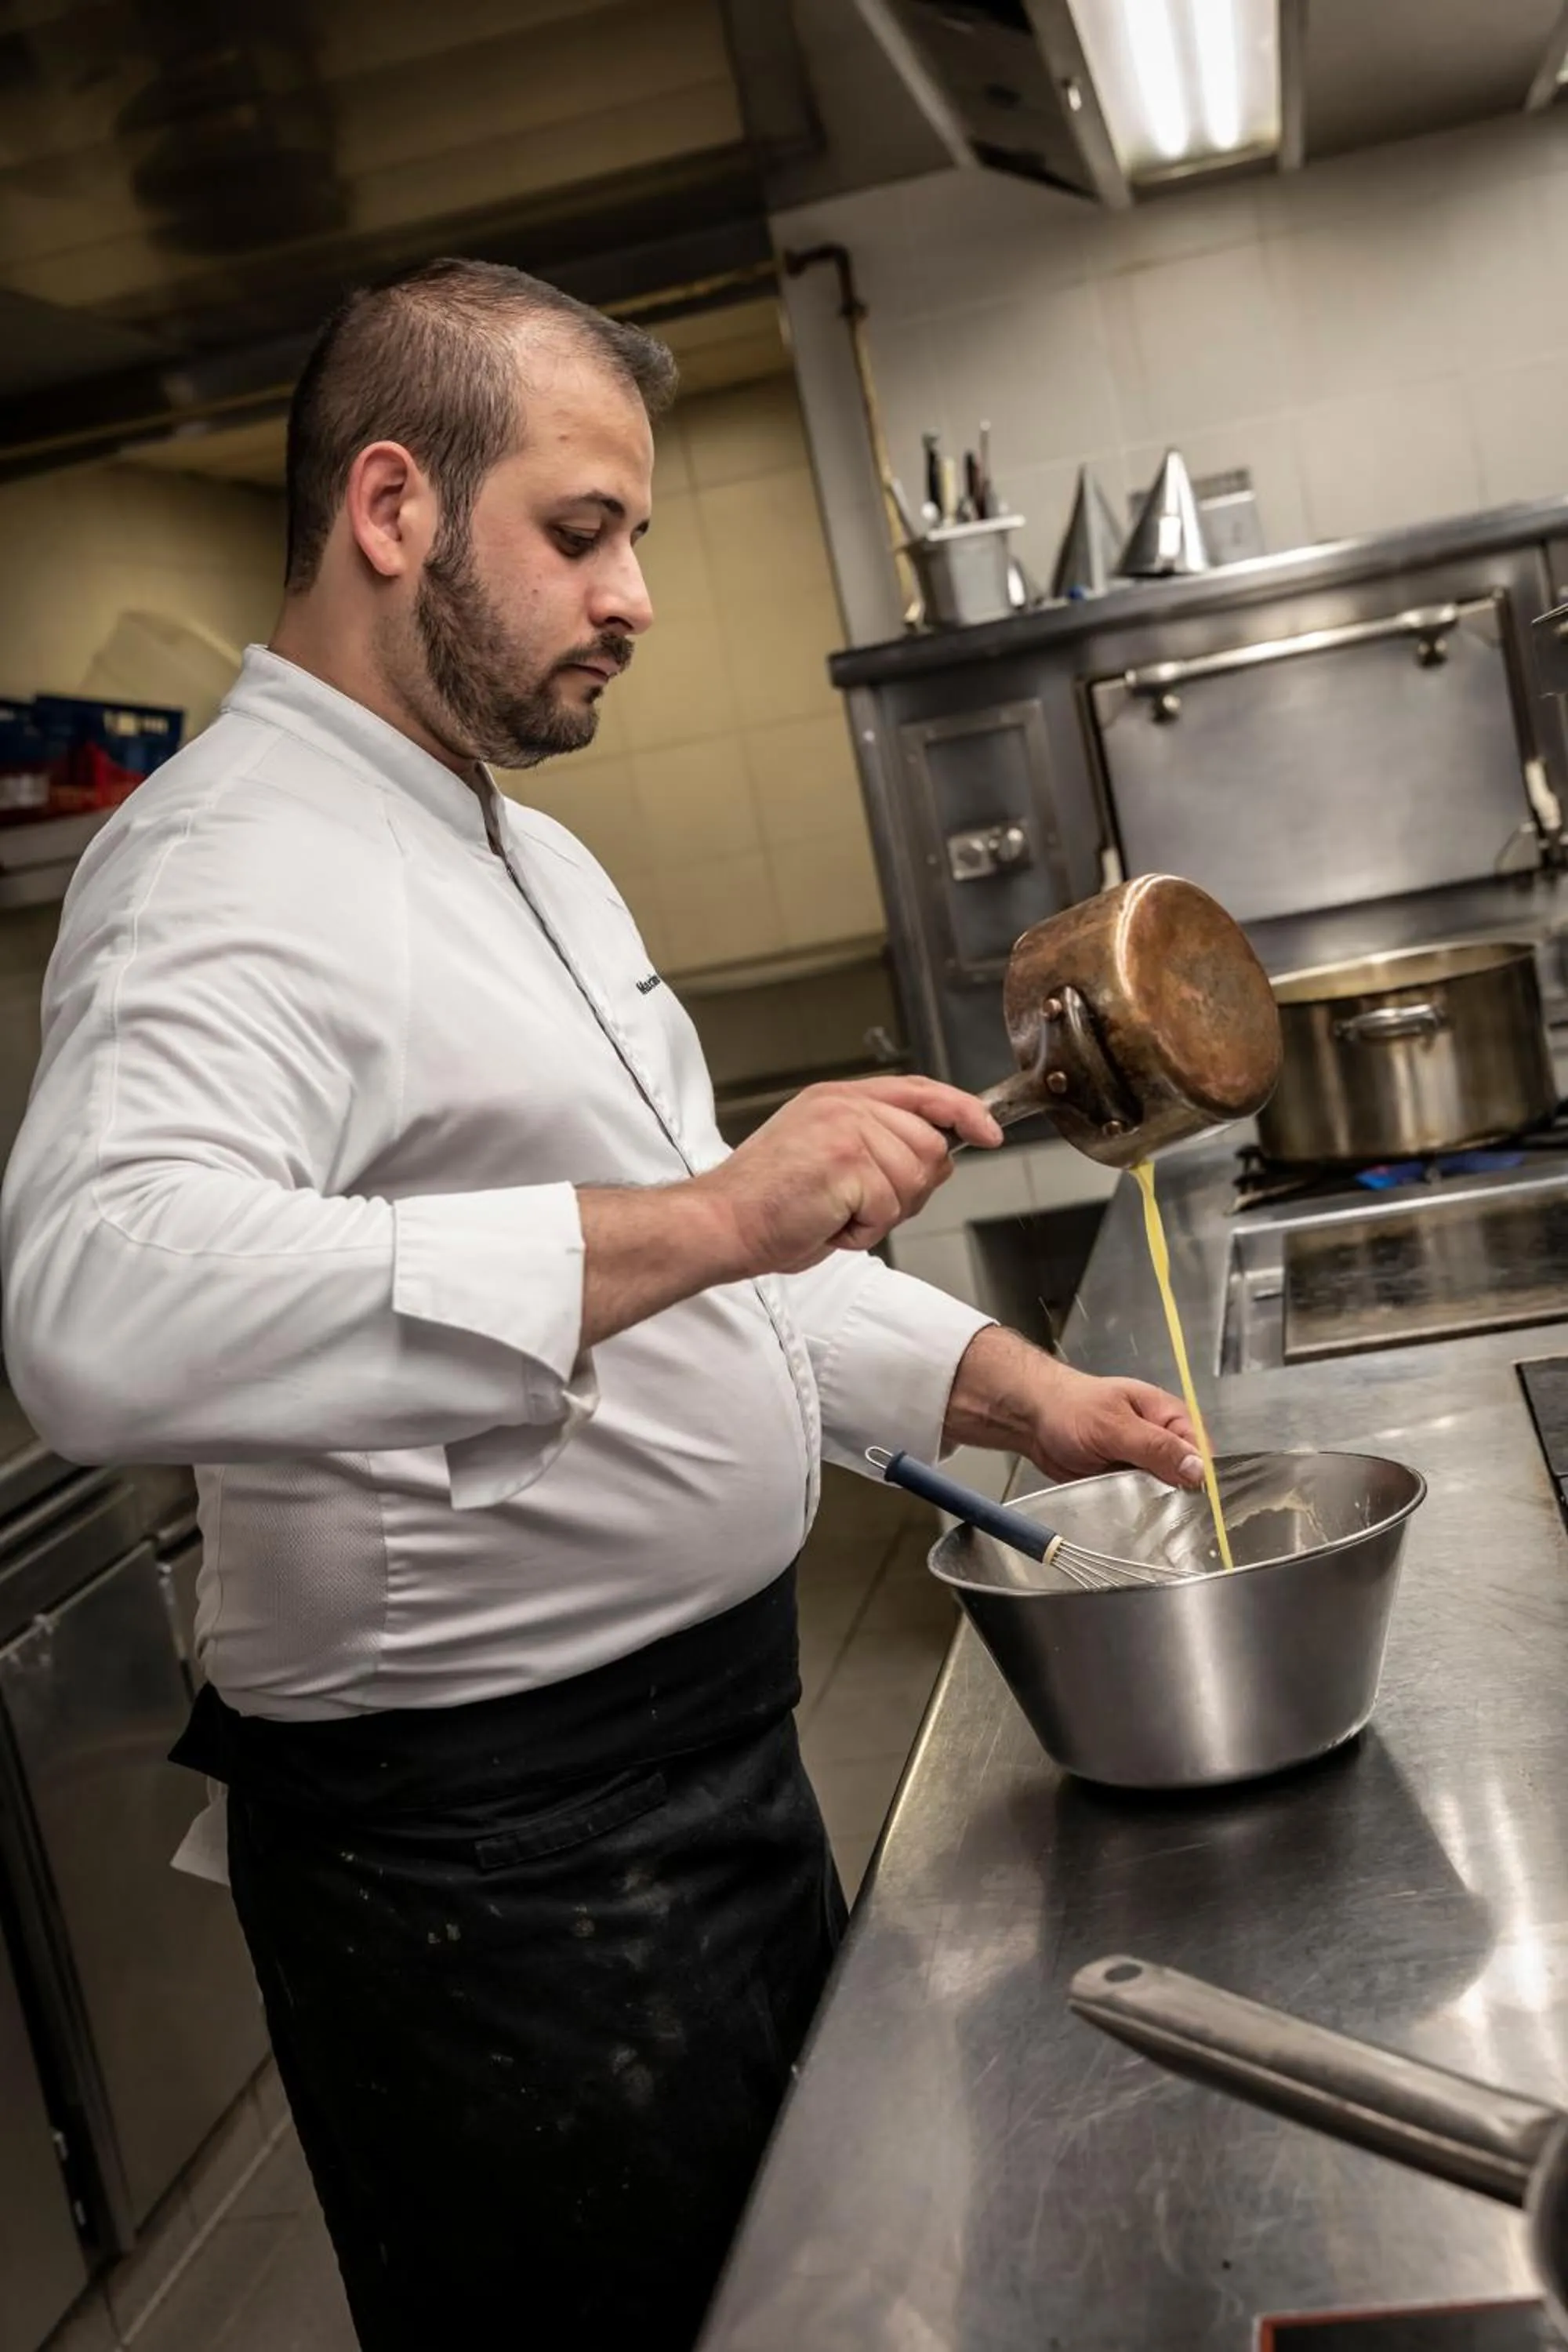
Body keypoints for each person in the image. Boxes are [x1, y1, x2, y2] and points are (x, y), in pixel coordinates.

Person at [0, 258, 1202, 2351]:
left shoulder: (530, 860)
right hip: (493, 1884)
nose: (636, 590)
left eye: (631, 533)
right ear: (394, 510)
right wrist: (719, 1213)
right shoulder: (218, 868)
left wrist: (1013, 1388)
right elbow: (98, 1309)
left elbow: (698, 1277)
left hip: (706, 1775)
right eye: (585, 531)